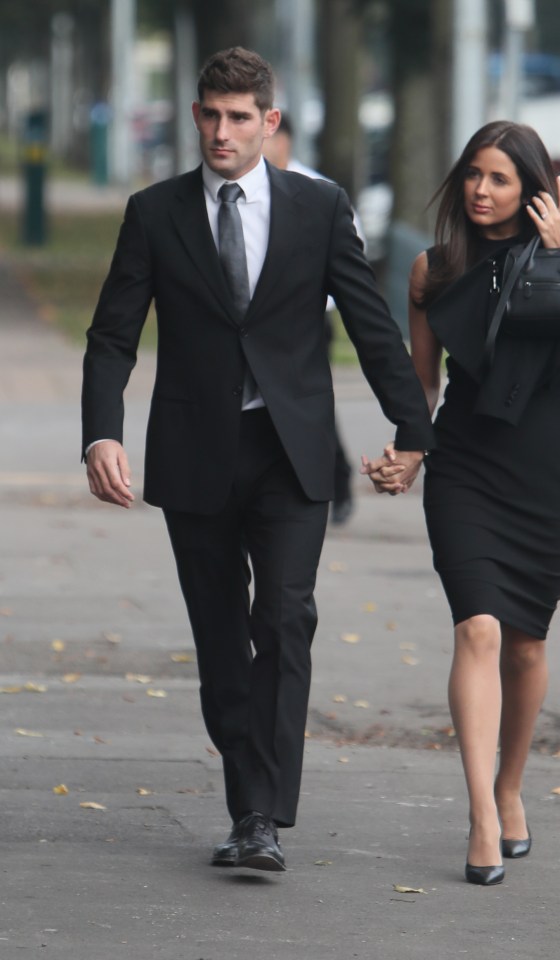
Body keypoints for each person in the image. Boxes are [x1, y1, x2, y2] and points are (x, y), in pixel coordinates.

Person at [82, 46, 434, 873]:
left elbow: (371, 325)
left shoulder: (318, 207)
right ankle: (251, 799)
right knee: (219, 636)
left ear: (269, 123)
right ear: (195, 115)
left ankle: (259, 814)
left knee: (283, 617)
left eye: (239, 117)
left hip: (291, 452)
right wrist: (102, 433)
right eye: (209, 114)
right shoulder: (155, 211)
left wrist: (414, 430)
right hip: (195, 452)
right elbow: (110, 335)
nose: (220, 131)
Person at [362, 120, 560, 885]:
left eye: (499, 178)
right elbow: (423, 385)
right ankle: (477, 813)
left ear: (531, 190)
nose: (480, 190)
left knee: (525, 643)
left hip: (544, 471)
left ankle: (509, 786)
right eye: (472, 174)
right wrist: (407, 451)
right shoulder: (431, 273)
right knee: (476, 628)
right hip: (465, 463)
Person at [262, 113, 357, 525]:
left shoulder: (320, 194)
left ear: (281, 138)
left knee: (308, 403)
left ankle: (337, 477)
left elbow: (349, 262)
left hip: (310, 320)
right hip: (259, 323)